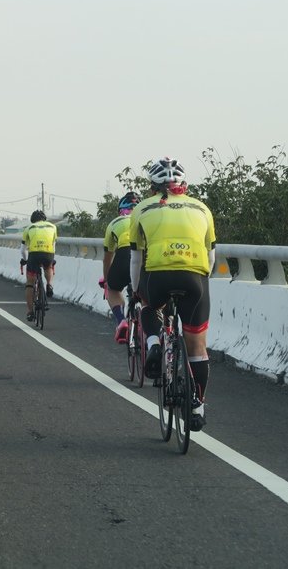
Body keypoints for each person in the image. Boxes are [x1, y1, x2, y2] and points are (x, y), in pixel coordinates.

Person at [129, 157, 216, 431]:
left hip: (158, 275)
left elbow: (135, 259)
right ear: (183, 184)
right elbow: (211, 256)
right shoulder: (202, 208)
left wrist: (135, 290)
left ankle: (155, 343)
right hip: (194, 278)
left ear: (152, 187)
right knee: (197, 347)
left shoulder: (141, 209)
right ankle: (198, 405)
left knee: (148, 306)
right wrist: (201, 279)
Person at [99, 192, 140, 343]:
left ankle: (121, 320)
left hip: (124, 254)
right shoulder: (145, 218)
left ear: (120, 210)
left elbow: (107, 258)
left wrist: (106, 280)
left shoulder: (114, 223)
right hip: (144, 256)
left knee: (113, 289)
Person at [20, 210, 58, 322]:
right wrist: (51, 258)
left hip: (34, 255)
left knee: (30, 283)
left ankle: (30, 312)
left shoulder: (29, 228)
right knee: (48, 267)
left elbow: (23, 250)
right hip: (48, 253)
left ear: (32, 220)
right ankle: (49, 285)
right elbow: (53, 245)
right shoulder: (53, 227)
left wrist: (25, 260)